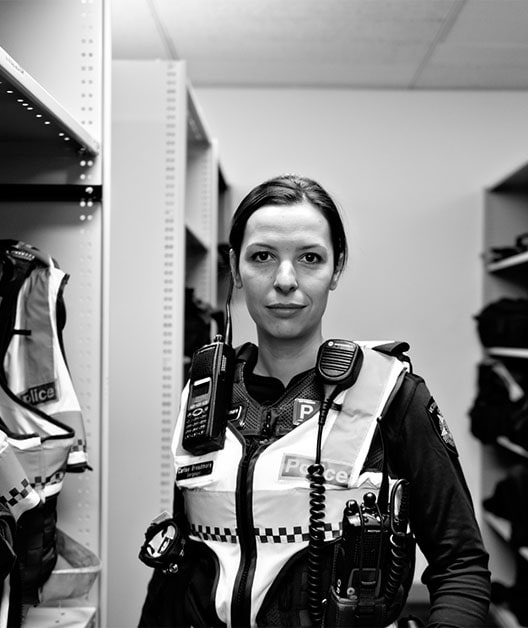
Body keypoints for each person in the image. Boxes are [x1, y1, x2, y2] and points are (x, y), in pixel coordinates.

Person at [139, 174, 491, 627]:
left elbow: (459, 562)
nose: (285, 280)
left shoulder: (390, 395)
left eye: (309, 258)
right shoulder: (207, 394)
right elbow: (182, 558)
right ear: (234, 267)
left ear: (336, 268)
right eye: (262, 257)